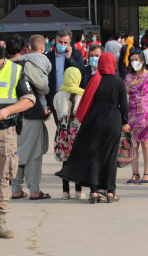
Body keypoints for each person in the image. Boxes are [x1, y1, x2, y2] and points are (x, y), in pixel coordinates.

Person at [56, 53, 129, 204]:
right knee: (110, 157)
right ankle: (111, 192)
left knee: (95, 155)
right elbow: (124, 106)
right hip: (113, 122)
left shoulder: (94, 80)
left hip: (94, 121)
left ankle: (94, 192)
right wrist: (124, 122)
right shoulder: (119, 82)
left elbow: (87, 101)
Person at [0, 30, 35, 238]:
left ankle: (0, 221)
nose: (0, 49)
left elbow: (29, 99)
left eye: (2, 45)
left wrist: (8, 110)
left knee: (3, 177)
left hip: (3, 132)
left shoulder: (15, 70)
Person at [7, 34, 50, 202]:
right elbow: (43, 87)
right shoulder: (25, 65)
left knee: (15, 151)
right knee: (33, 152)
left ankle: (16, 189)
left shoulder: (2, 66)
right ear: (23, 48)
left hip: (8, 116)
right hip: (29, 113)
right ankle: (34, 190)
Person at [124, 49, 148, 184]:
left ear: (142, 61)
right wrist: (131, 84)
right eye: (132, 60)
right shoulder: (128, 77)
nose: (134, 62)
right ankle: (135, 173)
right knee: (133, 144)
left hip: (144, 113)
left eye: (136, 59)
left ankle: (147, 173)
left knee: (145, 142)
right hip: (131, 112)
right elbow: (124, 93)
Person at [54, 67, 86, 199]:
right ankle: (78, 191)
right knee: (78, 160)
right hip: (77, 130)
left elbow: (57, 112)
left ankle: (65, 192)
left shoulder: (58, 95)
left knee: (65, 161)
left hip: (63, 130)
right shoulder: (83, 94)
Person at [46, 29, 85, 124]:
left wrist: (69, 58)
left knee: (73, 128)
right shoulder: (49, 56)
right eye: (60, 42)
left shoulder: (76, 54)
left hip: (72, 96)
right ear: (56, 40)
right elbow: (46, 79)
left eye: (65, 42)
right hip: (56, 97)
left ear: (69, 42)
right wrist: (48, 103)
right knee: (61, 127)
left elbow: (81, 71)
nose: (62, 45)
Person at [10, 34, 52, 118]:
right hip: (43, 80)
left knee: (37, 96)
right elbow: (49, 68)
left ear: (30, 47)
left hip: (33, 80)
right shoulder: (45, 58)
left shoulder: (27, 56)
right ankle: (45, 112)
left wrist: (7, 61)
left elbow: (18, 58)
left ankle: (43, 111)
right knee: (42, 97)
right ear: (42, 48)